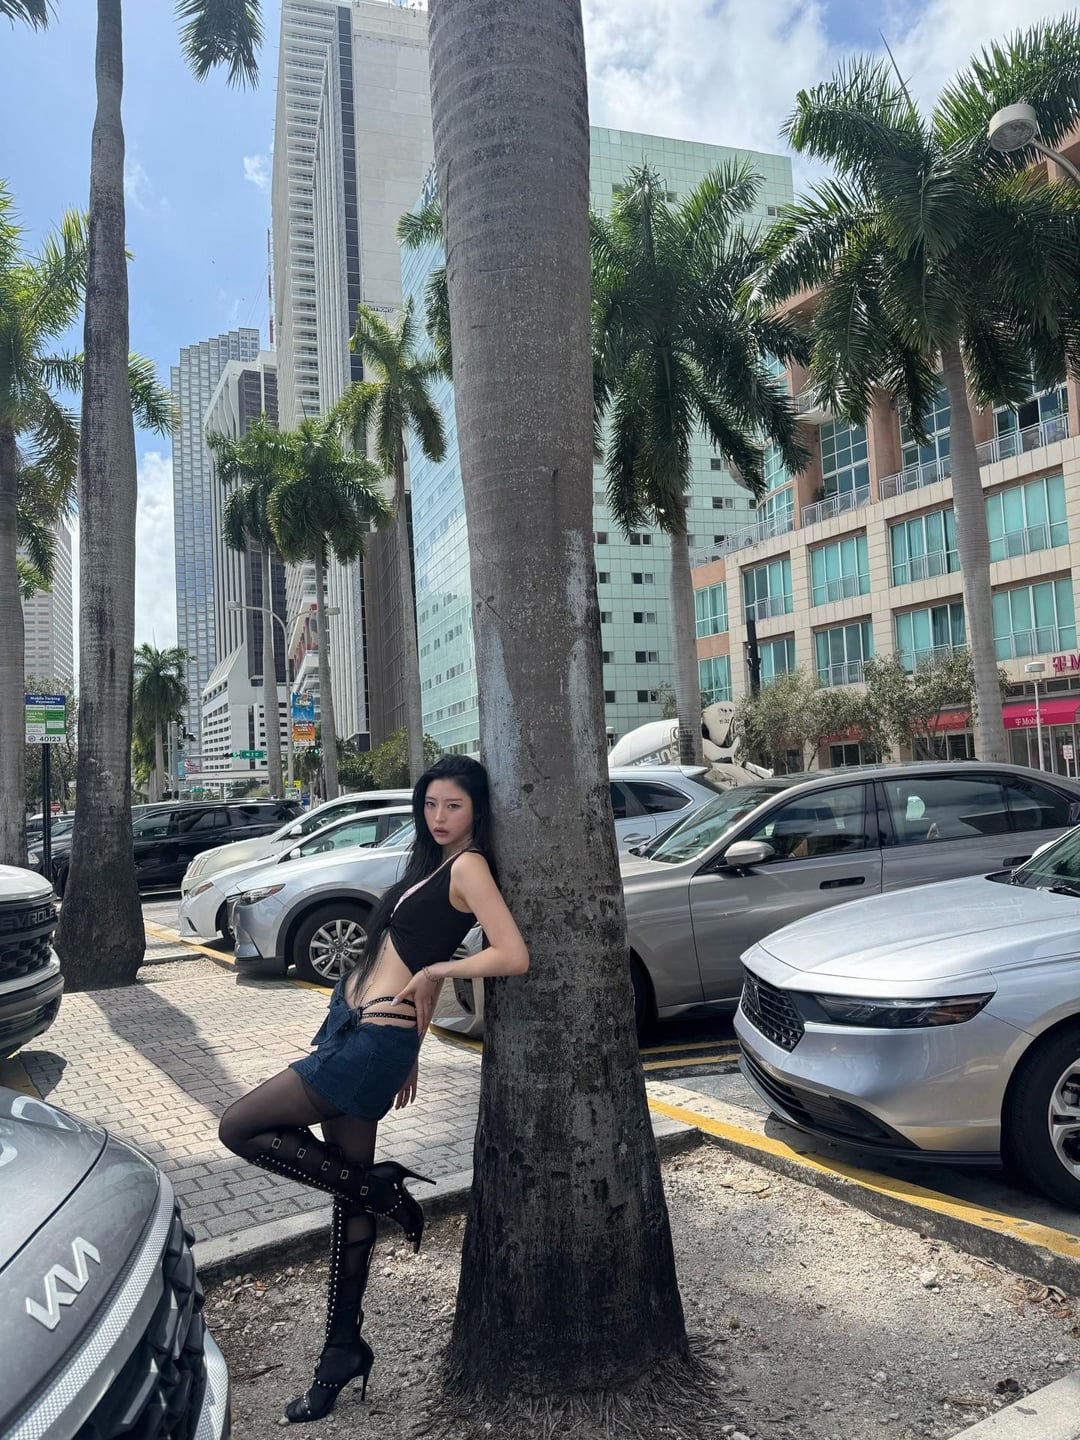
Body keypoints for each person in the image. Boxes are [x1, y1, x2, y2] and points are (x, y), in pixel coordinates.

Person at [218, 755, 529, 1423]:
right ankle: (340, 1353)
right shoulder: (431, 865)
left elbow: (511, 953)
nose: (439, 817)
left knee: (239, 1127)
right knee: (347, 1203)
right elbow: (414, 954)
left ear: (477, 810)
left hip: (369, 1044)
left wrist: (435, 979)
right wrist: (412, 1046)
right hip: (358, 1029)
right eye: (431, 804)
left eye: (453, 806)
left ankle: (383, 1189)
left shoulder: (470, 867)